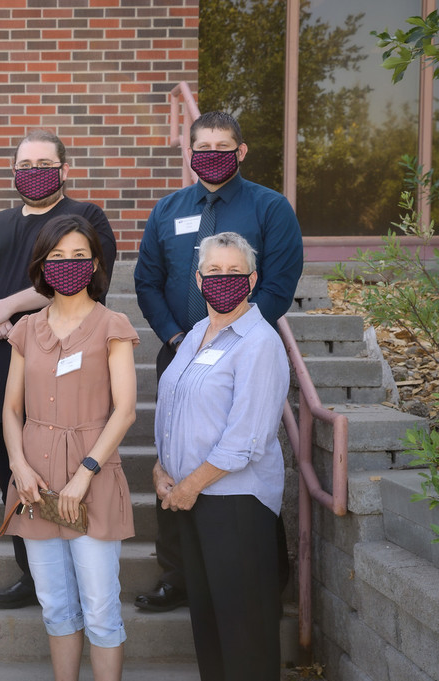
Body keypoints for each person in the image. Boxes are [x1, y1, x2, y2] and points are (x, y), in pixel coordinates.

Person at [132, 110, 302, 612]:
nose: (211, 155)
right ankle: (179, 576)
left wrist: (236, 336)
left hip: (243, 358)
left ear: (241, 151)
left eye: (222, 145)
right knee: (175, 458)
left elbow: (279, 281)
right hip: (182, 355)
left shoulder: (270, 208)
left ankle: (264, 573)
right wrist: (177, 336)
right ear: (189, 152)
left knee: (241, 464)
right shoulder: (168, 209)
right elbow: (147, 280)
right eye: (201, 146)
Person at [0, 129, 117, 609]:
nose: (34, 172)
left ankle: (76, 576)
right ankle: (35, 576)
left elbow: (85, 277)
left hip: (61, 372)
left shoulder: (84, 218)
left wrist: (5, 308)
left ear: (65, 170)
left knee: (62, 474)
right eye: (25, 164)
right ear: (13, 171)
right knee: (15, 473)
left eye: (45, 163)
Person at [1, 214, 137, 681]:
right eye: (57, 256)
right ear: (42, 263)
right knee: (56, 605)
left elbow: (125, 411)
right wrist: (18, 466)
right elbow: (10, 409)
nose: (68, 265)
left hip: (92, 477)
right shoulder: (26, 329)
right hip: (35, 481)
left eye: (79, 256)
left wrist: (84, 475)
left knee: (100, 607)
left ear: (95, 263)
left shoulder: (112, 324)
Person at [154, 232, 288, 681]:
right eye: (214, 272)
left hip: (234, 503)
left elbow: (246, 438)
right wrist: (161, 468)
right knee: (209, 624)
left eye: (235, 272)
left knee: (243, 631)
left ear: (252, 279)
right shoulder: (195, 335)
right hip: (193, 499)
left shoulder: (259, 342)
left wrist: (189, 486)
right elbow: (175, 409)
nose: (224, 280)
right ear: (198, 279)